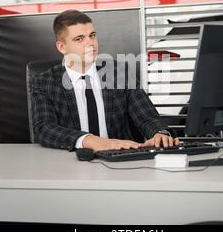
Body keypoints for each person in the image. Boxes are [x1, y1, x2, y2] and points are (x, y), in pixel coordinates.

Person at [29, 9, 178, 152]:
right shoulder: (44, 82)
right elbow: (44, 128)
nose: (90, 43)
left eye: (92, 35)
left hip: (120, 160)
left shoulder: (119, 73)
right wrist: (92, 141)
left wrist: (160, 133)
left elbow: (147, 116)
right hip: (70, 161)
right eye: (79, 39)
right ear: (62, 47)